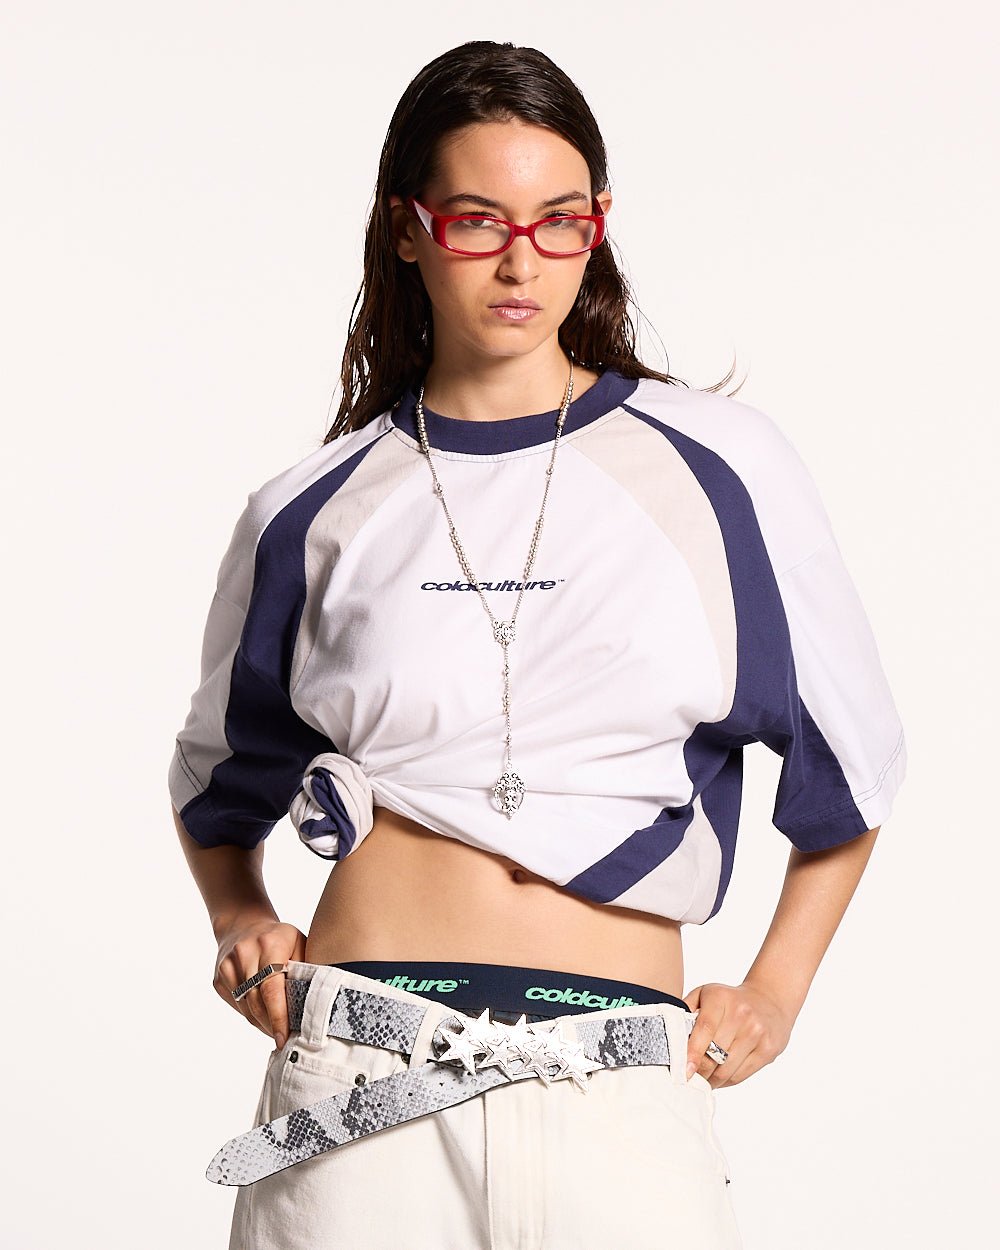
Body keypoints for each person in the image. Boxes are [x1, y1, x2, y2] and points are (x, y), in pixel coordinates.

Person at [169, 39, 907, 1250]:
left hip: (617, 1087)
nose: (523, 262)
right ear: (406, 230)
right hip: (359, 1082)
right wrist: (237, 915)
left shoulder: (723, 470)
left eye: (561, 221)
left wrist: (776, 988)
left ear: (596, 227)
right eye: (476, 220)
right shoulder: (310, 509)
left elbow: (852, 772)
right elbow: (216, 777)